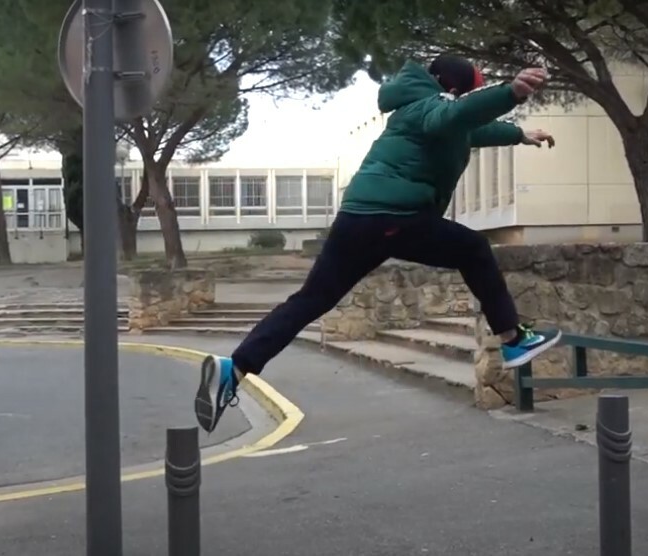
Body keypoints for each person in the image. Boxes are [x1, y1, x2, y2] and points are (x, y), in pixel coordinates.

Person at [194, 54, 563, 433]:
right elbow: (454, 116)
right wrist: (511, 93)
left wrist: (519, 135)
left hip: (360, 217)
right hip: (395, 217)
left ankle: (234, 368)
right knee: (474, 249)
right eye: (467, 92)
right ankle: (513, 338)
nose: (467, 99)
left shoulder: (415, 107)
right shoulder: (430, 107)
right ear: (452, 89)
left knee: (311, 300)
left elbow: (472, 129)